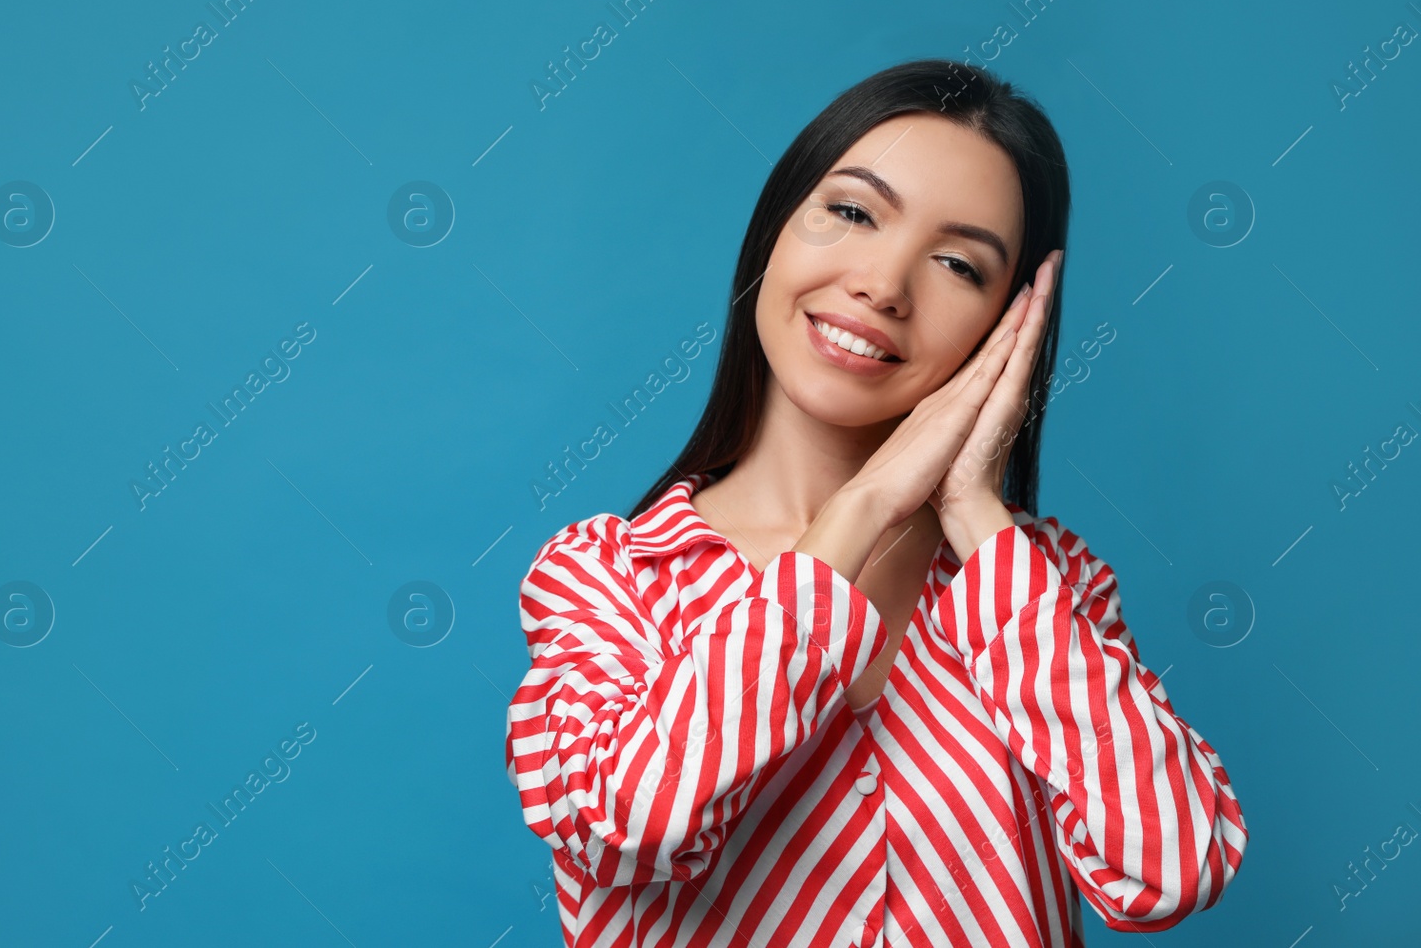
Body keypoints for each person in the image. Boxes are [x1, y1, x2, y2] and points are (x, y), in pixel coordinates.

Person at [503, 59, 1247, 947]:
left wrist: (973, 511)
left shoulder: (1049, 585)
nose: (885, 286)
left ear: (1010, 326)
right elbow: (624, 827)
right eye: (852, 212)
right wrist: (863, 510)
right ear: (776, 230)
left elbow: (1175, 865)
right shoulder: (607, 580)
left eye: (958, 265)